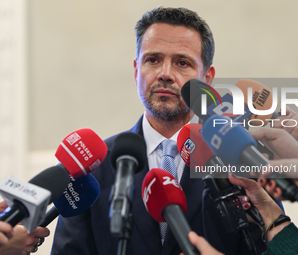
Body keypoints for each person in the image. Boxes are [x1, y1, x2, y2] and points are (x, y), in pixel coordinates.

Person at [50, 7, 267, 255]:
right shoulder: (94, 168)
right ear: (136, 70)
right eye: (153, 60)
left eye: (182, 63)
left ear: (207, 79)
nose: (165, 74)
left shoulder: (238, 161)